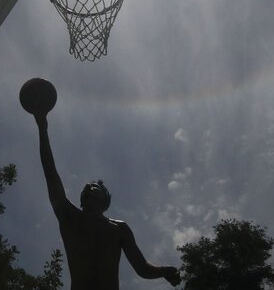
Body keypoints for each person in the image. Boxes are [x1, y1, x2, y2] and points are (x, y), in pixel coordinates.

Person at [33, 111, 181, 290]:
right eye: (86, 187)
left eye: (94, 186)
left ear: (104, 199)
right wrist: (42, 128)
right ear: (82, 200)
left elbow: (142, 268)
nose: (88, 187)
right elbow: (50, 172)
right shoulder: (69, 216)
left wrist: (165, 271)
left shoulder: (119, 229)